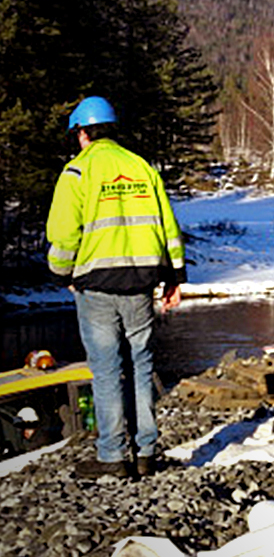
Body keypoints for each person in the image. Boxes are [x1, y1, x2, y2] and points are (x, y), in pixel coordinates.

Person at [46, 96, 184, 480]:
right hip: (141, 283)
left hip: (96, 285)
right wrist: (174, 277)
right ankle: (145, 452)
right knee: (141, 365)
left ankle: (111, 456)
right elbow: (167, 226)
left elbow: (63, 234)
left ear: (83, 133)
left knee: (107, 370)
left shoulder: (77, 172)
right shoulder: (141, 168)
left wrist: (61, 275)